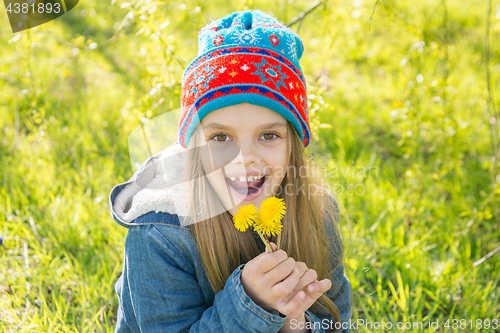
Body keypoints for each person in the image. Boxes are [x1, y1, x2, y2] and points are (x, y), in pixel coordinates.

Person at [109, 9, 352, 333]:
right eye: (221, 138)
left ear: (293, 144)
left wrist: (297, 324)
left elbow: (338, 321)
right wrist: (250, 304)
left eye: (268, 135)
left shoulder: (316, 213)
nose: (245, 158)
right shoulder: (161, 233)